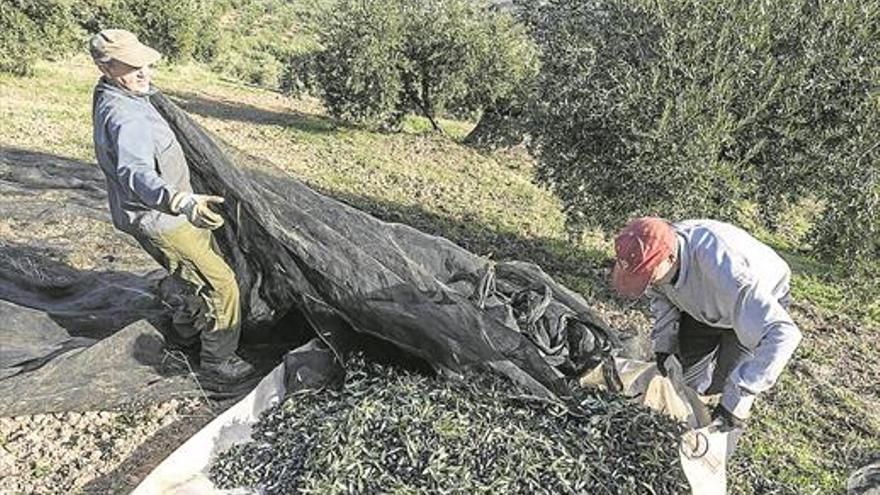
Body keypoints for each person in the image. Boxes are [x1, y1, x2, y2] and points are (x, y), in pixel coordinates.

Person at [88, 29, 254, 383]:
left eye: (146, 63)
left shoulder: (118, 92)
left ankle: (184, 335)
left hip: (165, 214)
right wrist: (179, 200)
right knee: (222, 284)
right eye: (134, 66)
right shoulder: (124, 115)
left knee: (191, 278)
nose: (145, 72)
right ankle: (218, 362)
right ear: (106, 66)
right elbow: (133, 171)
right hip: (164, 219)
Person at [612, 217, 802, 430]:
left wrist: (737, 401)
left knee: (727, 382)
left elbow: (783, 334)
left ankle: (713, 441)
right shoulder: (654, 250)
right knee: (683, 377)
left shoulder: (729, 273)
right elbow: (661, 295)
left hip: (749, 306)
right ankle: (683, 427)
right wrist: (664, 345)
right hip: (700, 302)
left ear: (671, 257)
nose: (647, 281)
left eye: (648, 275)